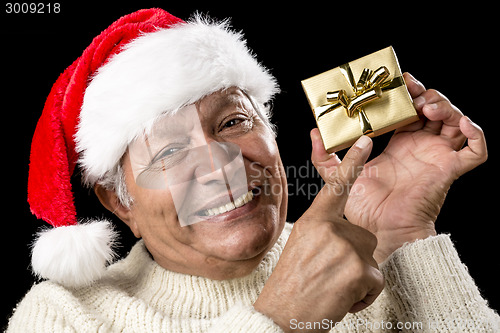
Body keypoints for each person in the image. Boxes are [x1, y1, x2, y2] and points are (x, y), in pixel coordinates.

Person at [7, 8, 499, 332]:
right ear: (121, 203)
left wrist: (402, 234)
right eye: (169, 152)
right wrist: (280, 317)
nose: (220, 166)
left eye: (234, 121)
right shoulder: (63, 317)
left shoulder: (369, 259)